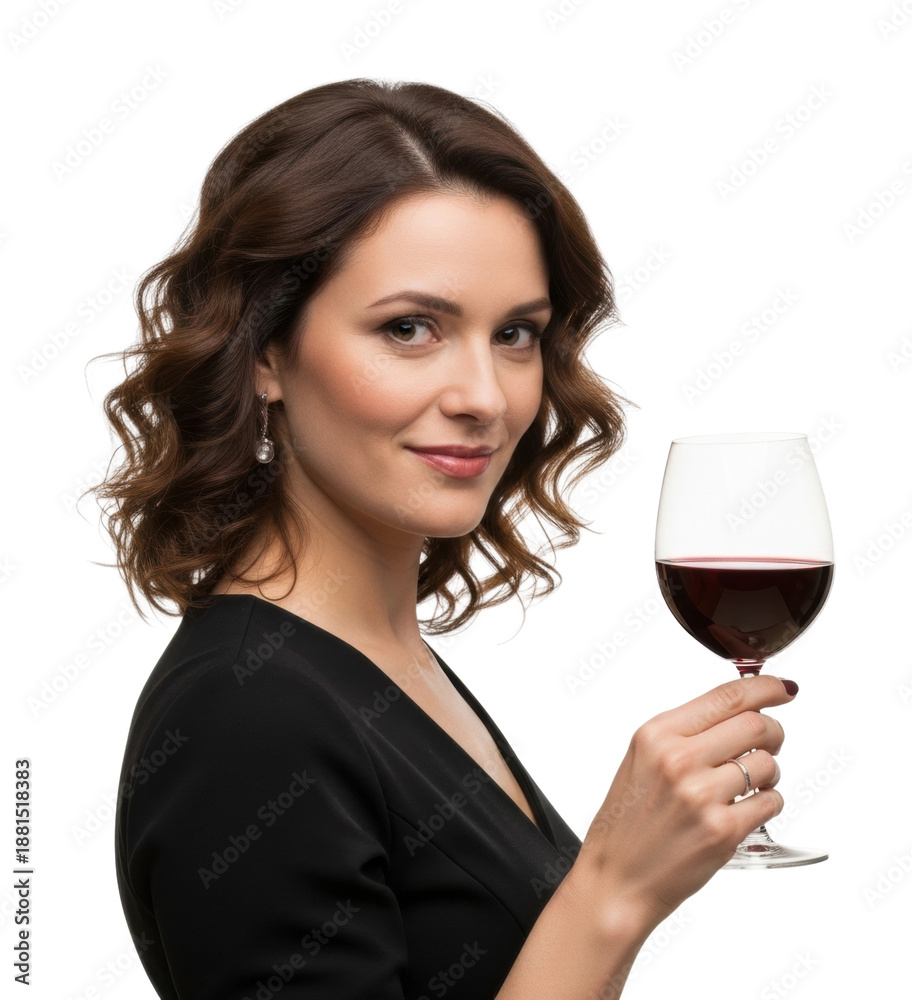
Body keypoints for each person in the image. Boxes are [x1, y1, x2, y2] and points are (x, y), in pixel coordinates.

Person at [89, 78, 796, 999]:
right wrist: (614, 891)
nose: (485, 397)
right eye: (409, 328)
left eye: (516, 334)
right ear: (264, 352)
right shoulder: (245, 711)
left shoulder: (378, 663)